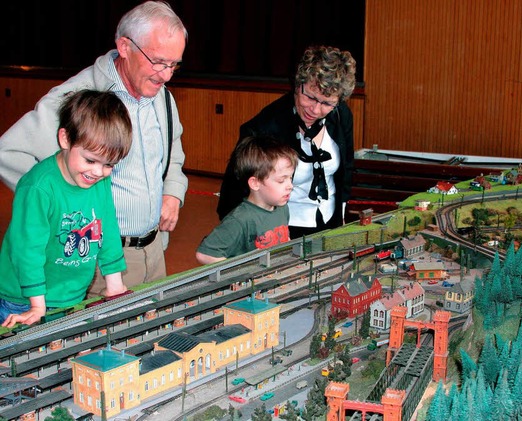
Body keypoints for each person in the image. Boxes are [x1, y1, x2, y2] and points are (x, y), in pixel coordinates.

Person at [0, 1, 189, 297]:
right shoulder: (77, 98)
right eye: (157, 61)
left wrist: (172, 193)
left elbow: (173, 152)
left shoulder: (162, 97)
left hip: (155, 250)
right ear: (125, 46)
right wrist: (63, 201)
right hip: (99, 265)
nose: (166, 75)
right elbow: (7, 153)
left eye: (174, 65)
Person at [0, 90, 132, 327]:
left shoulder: (98, 181)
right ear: (65, 139)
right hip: (25, 300)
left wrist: (114, 284)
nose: (98, 172)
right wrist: (37, 305)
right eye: (90, 160)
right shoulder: (39, 187)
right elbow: (27, 251)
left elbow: (107, 229)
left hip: (70, 297)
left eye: (109, 165)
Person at [217, 45, 357, 239]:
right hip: (282, 229)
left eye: (327, 103)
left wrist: (341, 214)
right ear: (297, 84)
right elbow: (231, 198)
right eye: (310, 97)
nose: (315, 110)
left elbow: (346, 169)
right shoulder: (263, 129)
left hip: (330, 223)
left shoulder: (342, 116)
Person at [196, 136, 297, 264]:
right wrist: (238, 274)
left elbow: (284, 239)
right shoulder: (240, 220)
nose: (290, 186)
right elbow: (205, 254)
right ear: (255, 183)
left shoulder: (282, 208)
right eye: (281, 180)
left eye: (291, 178)